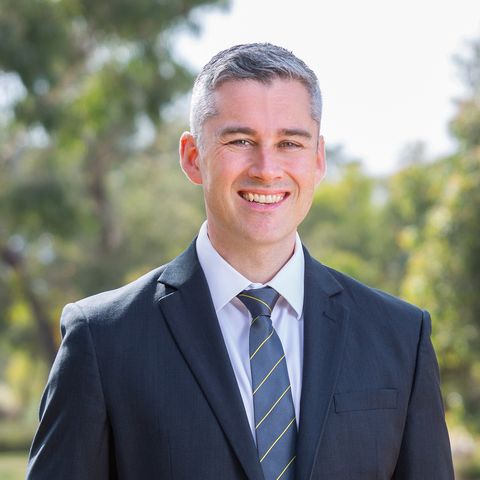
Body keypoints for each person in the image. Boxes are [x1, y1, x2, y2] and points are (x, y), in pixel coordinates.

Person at [27, 43, 454, 479]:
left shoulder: (401, 336)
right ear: (193, 157)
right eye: (240, 141)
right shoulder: (103, 339)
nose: (266, 169)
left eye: (289, 143)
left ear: (318, 159)